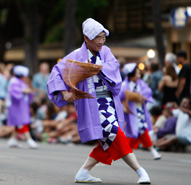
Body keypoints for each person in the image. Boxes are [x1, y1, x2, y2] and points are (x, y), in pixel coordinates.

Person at [47, 18, 151, 184]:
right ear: (86, 38)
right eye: (98, 38)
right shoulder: (76, 56)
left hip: (109, 101)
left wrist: (98, 68)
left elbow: (114, 68)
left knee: (108, 139)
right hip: (91, 104)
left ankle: (83, 172)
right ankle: (140, 171)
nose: (102, 41)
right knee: (115, 132)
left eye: (104, 37)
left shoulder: (106, 51)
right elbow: (56, 73)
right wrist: (64, 92)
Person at [120, 63, 161, 160]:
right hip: (130, 112)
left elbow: (148, 91)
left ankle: (126, 150)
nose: (139, 76)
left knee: (139, 130)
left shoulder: (140, 83)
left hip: (140, 110)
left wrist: (140, 95)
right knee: (140, 129)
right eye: (137, 74)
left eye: (139, 74)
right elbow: (119, 99)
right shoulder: (124, 85)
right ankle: (152, 151)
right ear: (131, 74)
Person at [6, 65, 38, 149]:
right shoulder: (14, 81)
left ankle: (13, 139)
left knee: (19, 122)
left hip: (21, 105)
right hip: (16, 106)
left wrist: (29, 92)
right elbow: (14, 92)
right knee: (22, 122)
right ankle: (29, 140)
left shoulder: (21, 82)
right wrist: (24, 91)